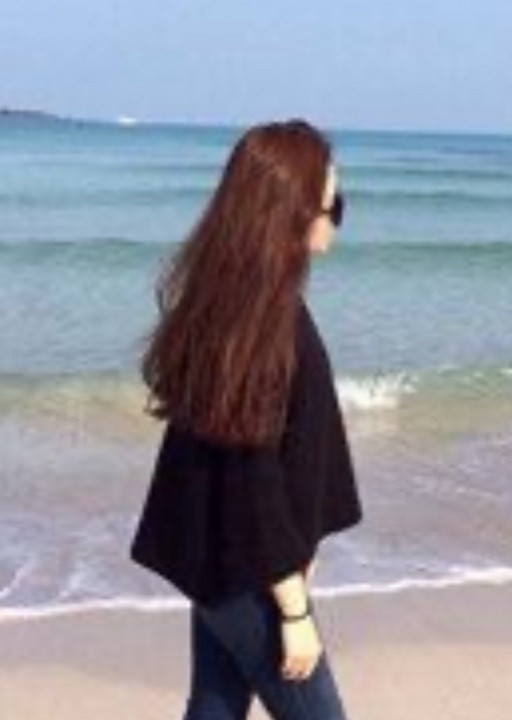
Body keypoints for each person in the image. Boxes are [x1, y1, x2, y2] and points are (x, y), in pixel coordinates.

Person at [128, 118, 363, 720]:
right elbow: (253, 476)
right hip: (252, 577)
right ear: (290, 210)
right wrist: (295, 610)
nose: (337, 217)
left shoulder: (234, 304)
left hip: (223, 562)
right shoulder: (265, 321)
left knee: (216, 707)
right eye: (331, 203)